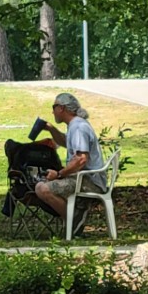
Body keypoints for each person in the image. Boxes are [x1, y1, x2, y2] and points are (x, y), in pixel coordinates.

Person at [35, 93, 106, 236]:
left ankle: (73, 220)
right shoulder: (75, 125)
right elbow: (64, 142)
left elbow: (81, 160)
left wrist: (60, 174)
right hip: (82, 178)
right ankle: (75, 216)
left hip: (89, 180)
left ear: (61, 108)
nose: (52, 111)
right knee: (43, 183)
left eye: (53, 107)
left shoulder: (78, 127)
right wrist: (51, 128)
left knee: (42, 188)